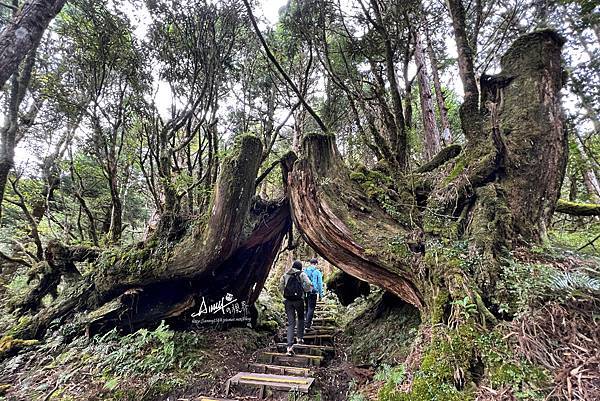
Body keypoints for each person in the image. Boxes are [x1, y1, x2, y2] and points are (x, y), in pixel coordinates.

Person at [279, 260, 313, 355]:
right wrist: (305, 291)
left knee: (291, 323)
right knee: (301, 318)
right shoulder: (302, 274)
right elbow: (309, 283)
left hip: (288, 301)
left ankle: (289, 346)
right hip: (299, 300)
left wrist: (285, 294)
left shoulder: (286, 274)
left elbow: (280, 286)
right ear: (300, 267)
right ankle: (299, 338)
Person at [304, 257, 324, 331]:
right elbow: (319, 284)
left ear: (310, 263)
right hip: (313, 292)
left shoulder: (305, 270)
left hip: (305, 291)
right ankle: (307, 325)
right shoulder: (317, 272)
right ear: (316, 264)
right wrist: (321, 295)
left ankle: (306, 323)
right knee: (311, 308)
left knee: (307, 308)